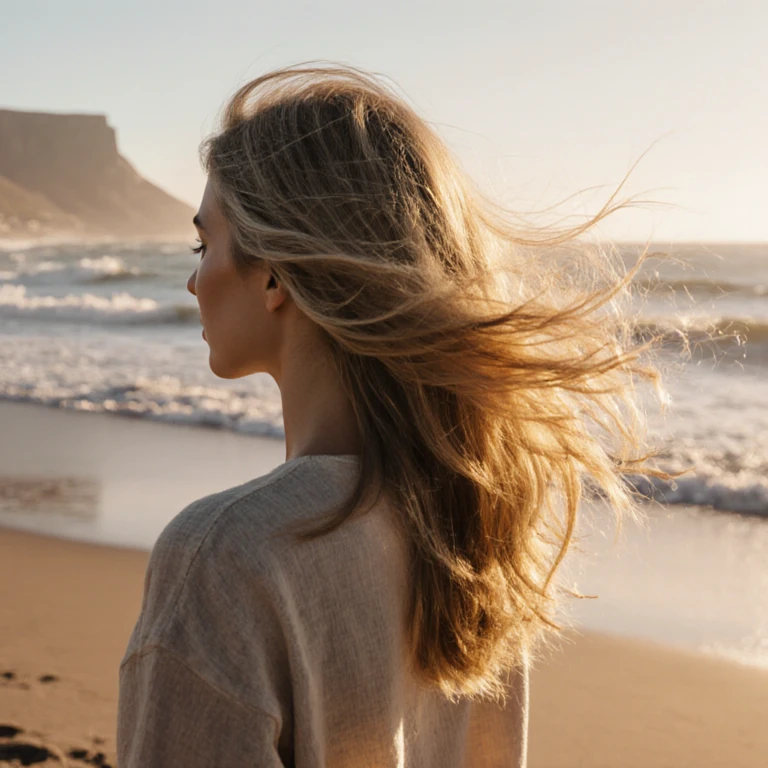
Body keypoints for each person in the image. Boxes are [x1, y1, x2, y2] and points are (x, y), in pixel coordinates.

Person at [117, 63, 665, 767]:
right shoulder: (474, 537)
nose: (194, 279)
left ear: (277, 270)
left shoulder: (227, 557)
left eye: (205, 244)